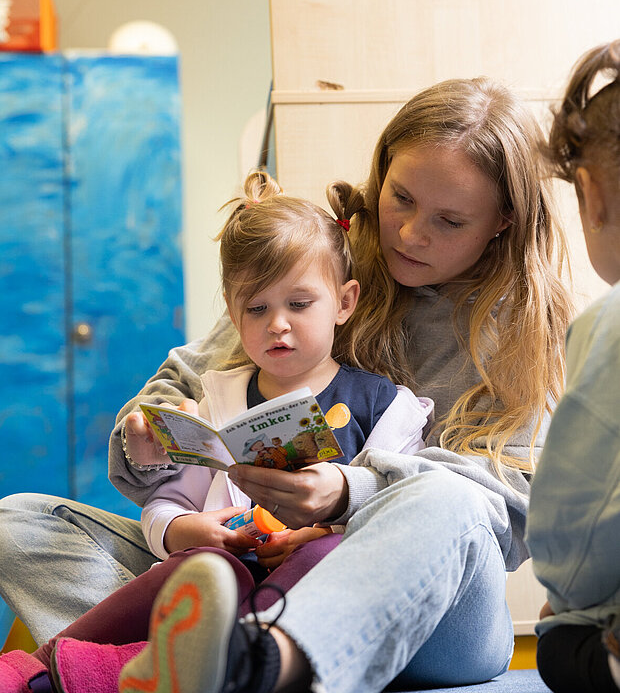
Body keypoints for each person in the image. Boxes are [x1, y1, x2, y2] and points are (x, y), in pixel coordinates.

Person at [0, 77, 572, 691]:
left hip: (432, 606)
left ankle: (244, 660)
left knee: (447, 500)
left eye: (449, 221)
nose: (409, 234)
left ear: (501, 224)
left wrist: (351, 492)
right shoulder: (314, 262)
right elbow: (191, 378)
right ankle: (183, 653)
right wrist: (151, 429)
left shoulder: (519, 331)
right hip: (245, 561)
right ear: (381, 173)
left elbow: (514, 510)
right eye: (399, 198)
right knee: (20, 520)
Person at [0, 170, 430, 692]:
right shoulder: (215, 400)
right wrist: (183, 530)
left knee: (325, 555)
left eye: (299, 304)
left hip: (318, 593)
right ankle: (44, 666)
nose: (278, 324)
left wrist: (326, 529)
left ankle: (215, 664)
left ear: (344, 302)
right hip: (222, 575)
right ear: (232, 312)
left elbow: (407, 521)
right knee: (203, 566)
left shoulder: (384, 407)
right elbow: (166, 505)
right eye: (257, 308)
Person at [524, 41, 620, 693]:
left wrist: (564, 592)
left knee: (559, 639)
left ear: (590, 195)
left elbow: (579, 516)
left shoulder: (608, 323)